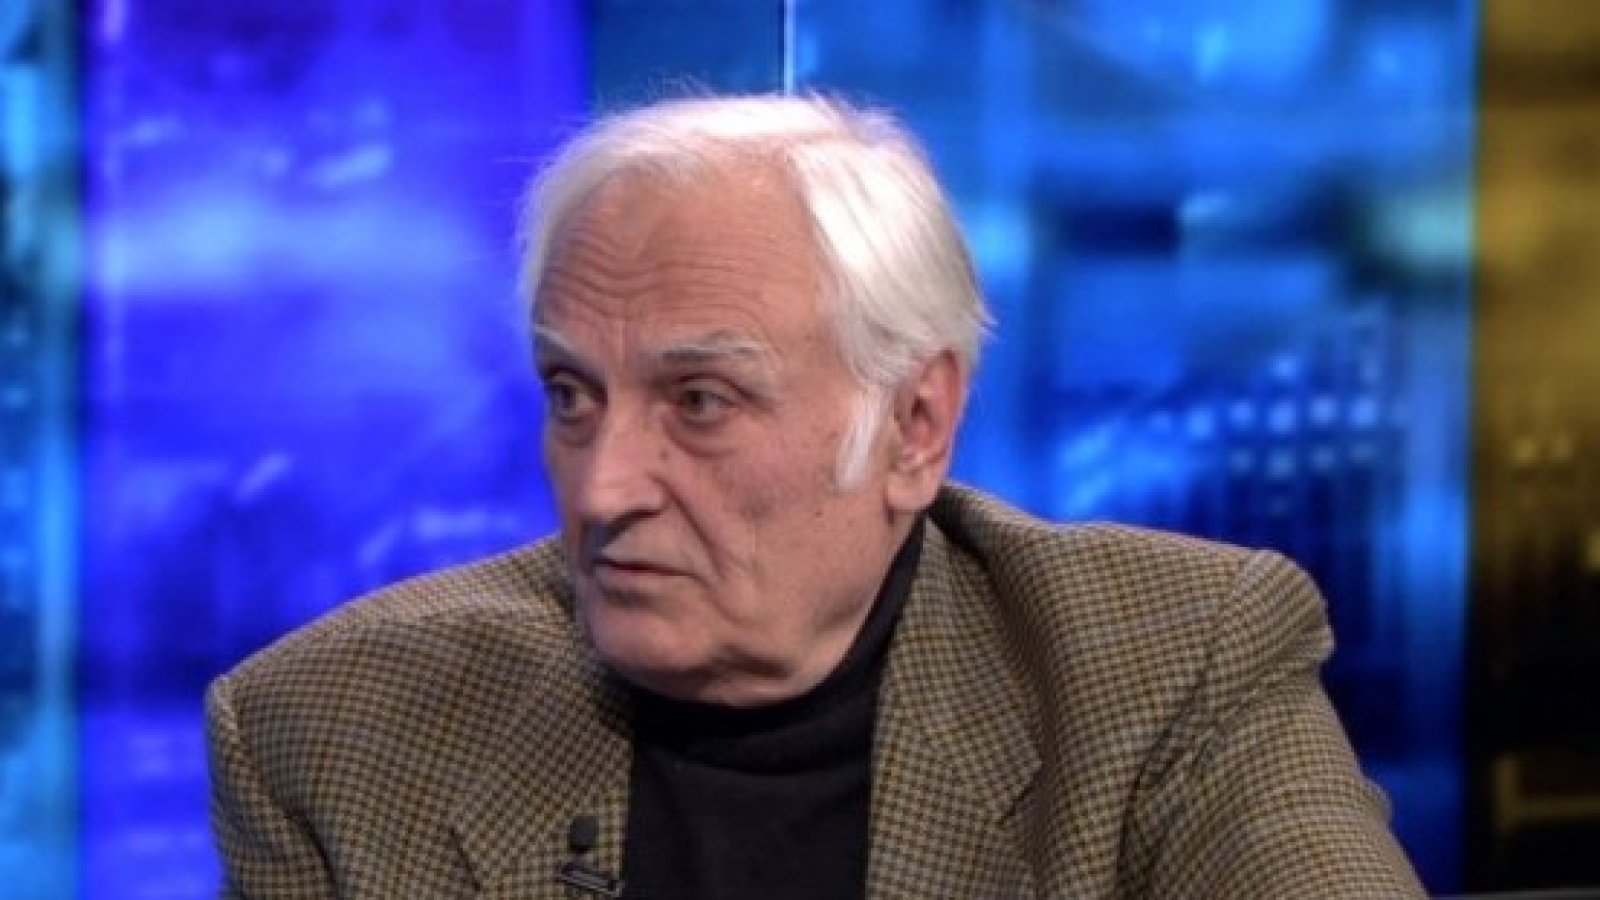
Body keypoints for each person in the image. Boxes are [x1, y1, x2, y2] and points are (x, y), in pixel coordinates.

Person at [206, 94, 1425, 898]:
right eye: (572, 394)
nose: (604, 486)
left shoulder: (1163, 669)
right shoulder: (332, 733)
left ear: (913, 425)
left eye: (700, 401)